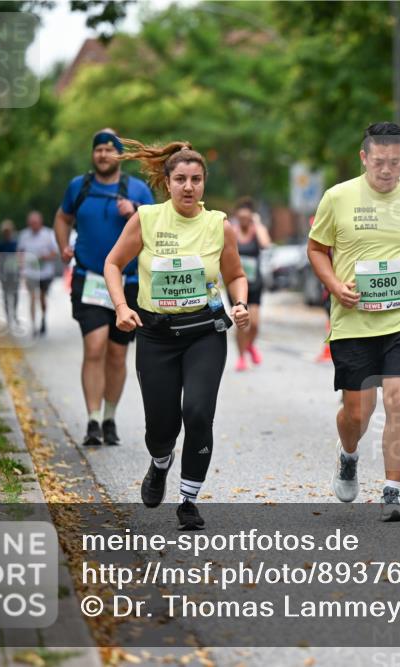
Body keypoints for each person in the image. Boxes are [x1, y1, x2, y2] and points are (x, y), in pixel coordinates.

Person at [103, 138, 249, 531]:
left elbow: (235, 274)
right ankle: (160, 462)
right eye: (181, 179)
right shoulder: (147, 219)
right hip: (156, 335)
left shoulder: (218, 225)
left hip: (204, 332)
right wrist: (122, 307)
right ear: (167, 183)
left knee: (198, 412)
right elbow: (113, 264)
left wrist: (240, 303)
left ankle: (188, 499)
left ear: (204, 183)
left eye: (196, 179)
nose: (189, 186)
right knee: (161, 425)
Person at [306, 122, 400, 522]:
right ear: (364, 157)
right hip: (353, 321)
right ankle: (348, 454)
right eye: (379, 162)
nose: (386, 170)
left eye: (394, 162)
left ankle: (392, 492)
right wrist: (334, 286)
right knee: (356, 412)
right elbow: (316, 249)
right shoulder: (338, 197)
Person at [54, 129, 155, 447]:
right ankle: (93, 421)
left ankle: (110, 417)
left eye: (111, 149)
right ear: (93, 153)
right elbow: (62, 218)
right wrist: (63, 247)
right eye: (99, 149)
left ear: (120, 155)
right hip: (89, 279)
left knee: (116, 353)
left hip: (129, 283)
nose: (104, 154)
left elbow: (159, 227)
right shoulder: (79, 186)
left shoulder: (137, 189)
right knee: (94, 346)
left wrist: (136, 211)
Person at [233, 198, 271, 371]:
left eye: (247, 218)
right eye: (241, 218)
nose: (244, 222)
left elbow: (265, 244)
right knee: (241, 321)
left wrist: (258, 223)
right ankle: (241, 357)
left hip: (254, 283)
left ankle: (248, 345)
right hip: (236, 284)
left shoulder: (256, 230)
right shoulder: (232, 231)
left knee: (254, 323)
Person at [17, 211, 60, 336]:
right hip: (30, 272)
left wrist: (45, 257)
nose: (33, 225)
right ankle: (33, 325)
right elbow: (20, 252)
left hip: (45, 273)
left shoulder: (48, 234)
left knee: (41, 297)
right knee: (32, 298)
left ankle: (43, 319)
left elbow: (55, 253)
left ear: (40, 222)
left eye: (35, 223)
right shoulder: (24, 235)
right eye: (31, 223)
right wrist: (22, 266)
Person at [0, 220, 20, 326]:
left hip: (14, 272)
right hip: (4, 273)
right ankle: (8, 317)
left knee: (15, 295)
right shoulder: (0, 245)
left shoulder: (15, 243)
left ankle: (14, 314)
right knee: (5, 295)